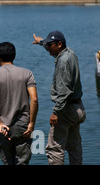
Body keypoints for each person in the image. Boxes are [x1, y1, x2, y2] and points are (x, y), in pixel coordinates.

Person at [33, 30, 86, 165]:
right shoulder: (70, 53)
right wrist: (41, 42)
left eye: (50, 45)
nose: (49, 47)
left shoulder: (62, 62)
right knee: (74, 146)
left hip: (65, 110)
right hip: (77, 108)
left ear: (59, 44)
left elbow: (64, 91)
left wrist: (56, 112)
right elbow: (54, 52)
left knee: (54, 148)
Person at [0, 42, 38, 165]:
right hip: (23, 126)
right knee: (23, 162)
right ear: (14, 56)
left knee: (8, 162)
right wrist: (31, 123)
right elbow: (34, 99)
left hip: (4, 126)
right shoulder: (27, 74)